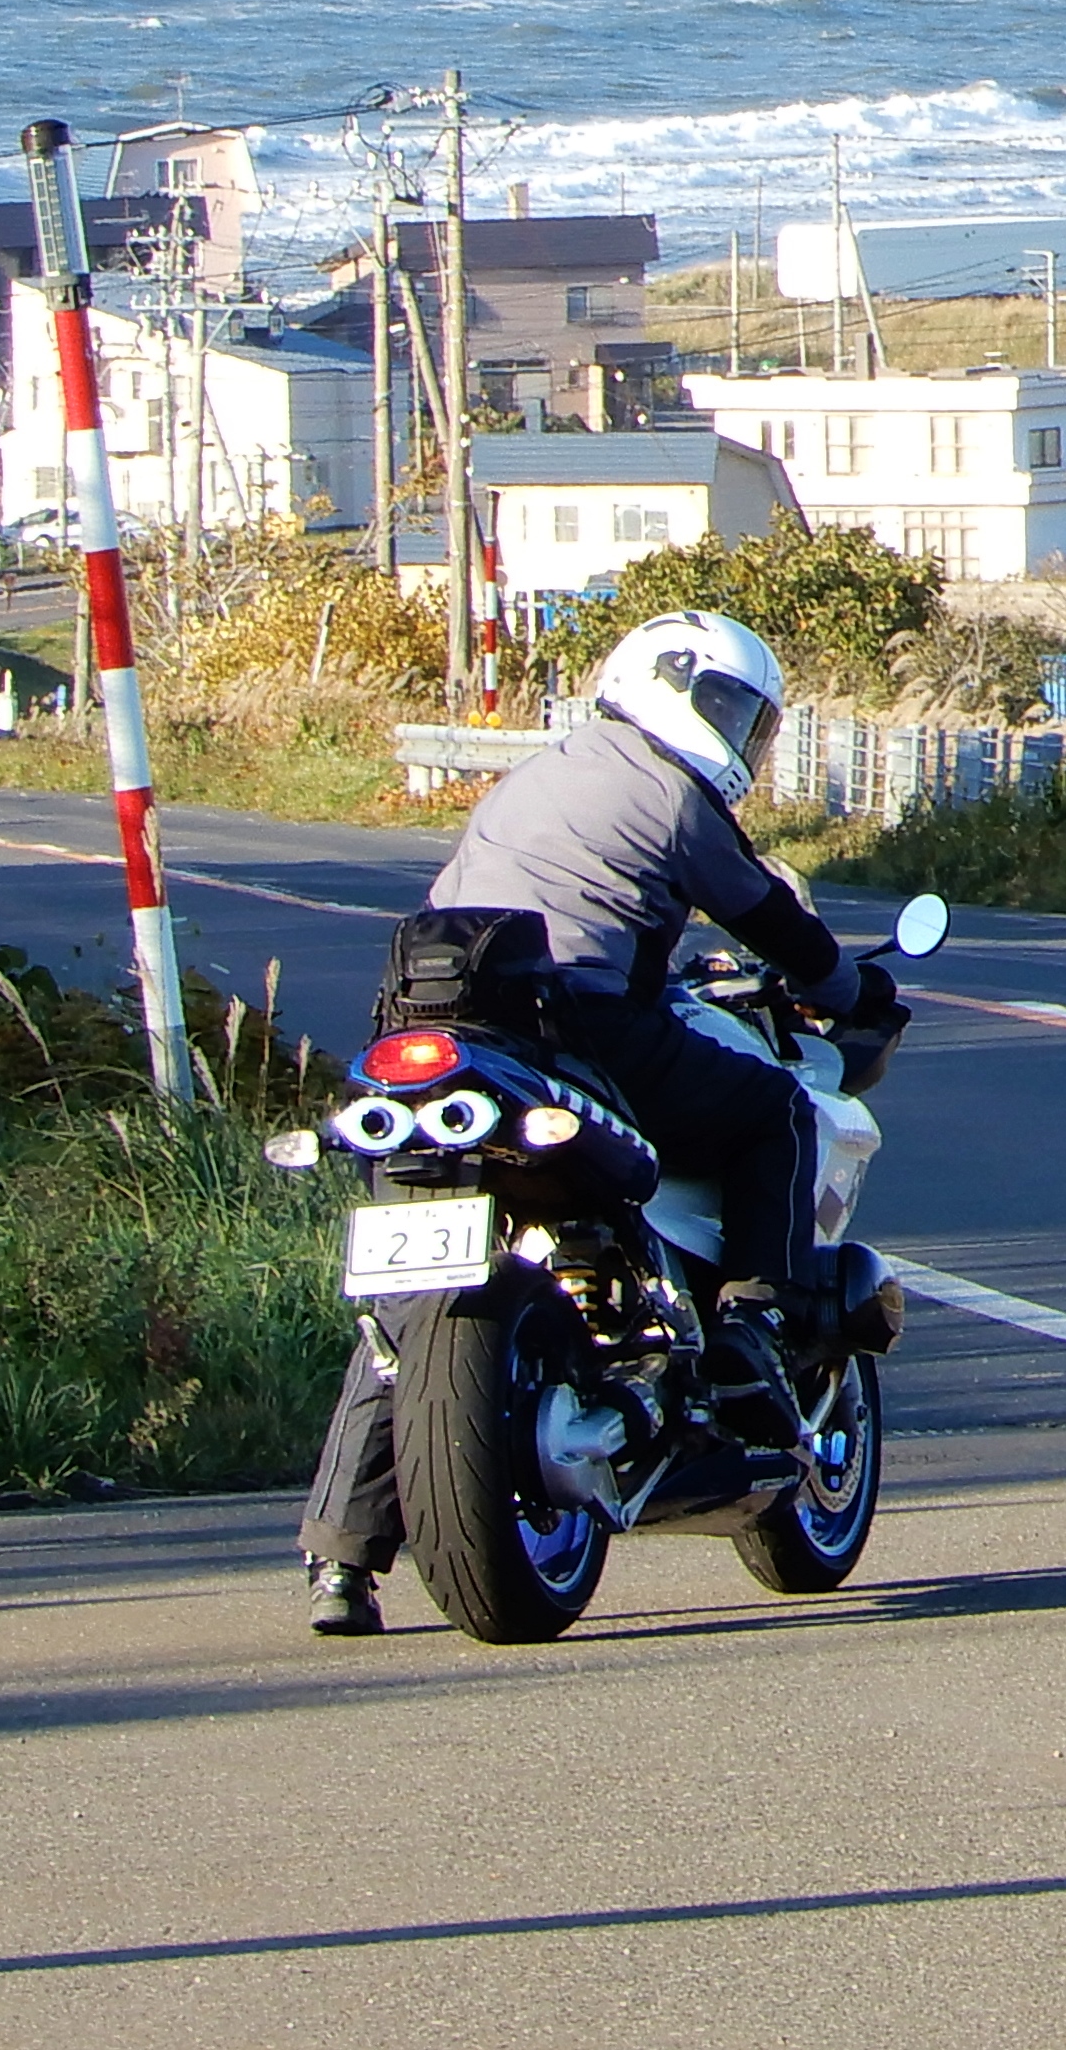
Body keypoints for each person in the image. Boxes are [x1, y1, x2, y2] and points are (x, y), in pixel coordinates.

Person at [298, 609, 872, 1638]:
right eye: (729, 708)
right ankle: (753, 1329)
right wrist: (848, 983)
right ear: (665, 689)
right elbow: (768, 920)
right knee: (774, 1111)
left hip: (427, 1035)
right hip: (576, 1026)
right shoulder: (664, 787)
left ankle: (341, 1561)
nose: (738, 735)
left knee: (406, 1311)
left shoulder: (539, 773)